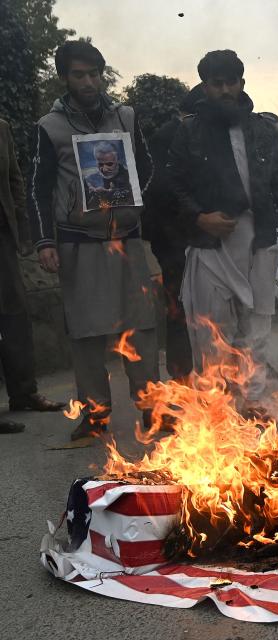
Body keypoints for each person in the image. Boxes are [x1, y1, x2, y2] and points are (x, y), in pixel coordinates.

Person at [29, 41, 158, 441]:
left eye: (95, 73)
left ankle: (153, 409)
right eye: (79, 75)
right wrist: (45, 241)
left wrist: (133, 202)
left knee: (141, 327)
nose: (89, 82)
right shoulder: (49, 127)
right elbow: (38, 188)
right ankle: (95, 413)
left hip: (127, 239)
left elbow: (148, 168)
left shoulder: (126, 116)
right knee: (86, 333)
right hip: (78, 241)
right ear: (64, 78)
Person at [168, 50, 278, 404]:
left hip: (258, 242)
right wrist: (199, 216)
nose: (225, 90)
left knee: (257, 332)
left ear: (242, 83)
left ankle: (254, 403)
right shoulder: (189, 131)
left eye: (231, 82)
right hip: (210, 245)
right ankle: (216, 410)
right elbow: (172, 186)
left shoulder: (264, 131)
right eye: (217, 84)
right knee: (213, 333)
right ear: (205, 86)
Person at [1, 117, 65, 434]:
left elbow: (14, 181)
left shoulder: (2, 127)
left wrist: (25, 231)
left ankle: (24, 393)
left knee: (15, 315)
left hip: (3, 237)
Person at [142, 85, 203, 381]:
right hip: (175, 243)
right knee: (180, 310)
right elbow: (161, 192)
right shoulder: (167, 138)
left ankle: (204, 376)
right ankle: (182, 379)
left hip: (197, 239)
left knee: (201, 312)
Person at [84, 140, 135, 209]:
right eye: (100, 164)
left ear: (117, 160)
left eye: (109, 164)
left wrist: (110, 193)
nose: (104, 169)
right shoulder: (89, 179)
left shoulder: (130, 176)